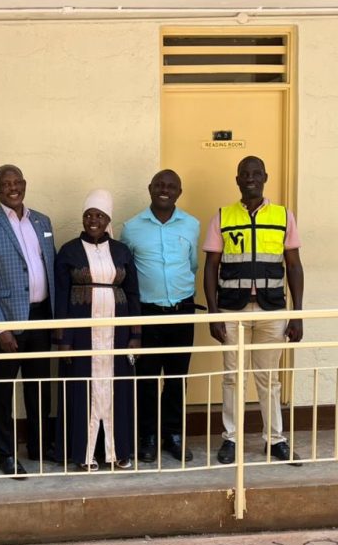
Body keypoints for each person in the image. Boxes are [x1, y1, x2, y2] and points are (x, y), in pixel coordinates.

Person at [202, 155, 305, 466]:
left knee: (268, 378)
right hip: (231, 309)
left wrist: (297, 314)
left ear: (265, 177)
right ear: (237, 180)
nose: (250, 178)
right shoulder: (223, 216)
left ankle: (275, 440)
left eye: (256, 173)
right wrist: (213, 313)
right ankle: (231, 439)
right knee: (232, 377)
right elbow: (210, 268)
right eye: (245, 174)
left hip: (271, 309)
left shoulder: (283, 216)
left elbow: (294, 266)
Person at [0, 164, 57, 478]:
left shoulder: (42, 221)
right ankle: (5, 453)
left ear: (24, 184)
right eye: (5, 184)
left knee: (39, 386)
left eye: (17, 182)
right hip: (8, 320)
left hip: (41, 316)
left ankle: (39, 445)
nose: (12, 188)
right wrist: (0, 327)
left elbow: (50, 267)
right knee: (3, 391)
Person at [54, 190, 140, 471]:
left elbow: (133, 294)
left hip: (117, 333)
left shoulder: (121, 251)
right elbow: (61, 296)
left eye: (100, 215)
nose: (93, 220)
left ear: (108, 220)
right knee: (82, 390)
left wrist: (136, 335)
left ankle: (118, 451)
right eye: (89, 215)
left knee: (118, 389)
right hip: (80, 334)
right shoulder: (69, 251)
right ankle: (84, 453)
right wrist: (63, 339)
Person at [120, 170, 200, 464]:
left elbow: (192, 265)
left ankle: (174, 435)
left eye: (171, 186)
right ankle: (148, 436)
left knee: (177, 378)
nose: (164, 190)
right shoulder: (131, 228)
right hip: (147, 313)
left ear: (179, 191)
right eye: (159, 185)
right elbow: (127, 274)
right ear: (150, 188)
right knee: (147, 379)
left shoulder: (191, 224)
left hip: (182, 311)